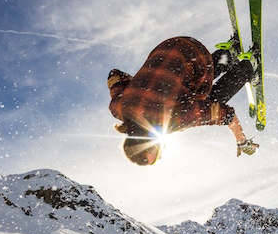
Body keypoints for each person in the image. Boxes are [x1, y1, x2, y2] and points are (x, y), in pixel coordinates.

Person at [107, 36, 260, 165]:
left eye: (156, 155)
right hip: (170, 45)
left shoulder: (171, 120)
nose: (161, 155)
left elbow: (224, 114)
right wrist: (147, 87)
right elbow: (114, 75)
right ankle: (227, 54)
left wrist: (242, 141)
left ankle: (248, 66)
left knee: (209, 100)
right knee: (185, 86)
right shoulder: (118, 108)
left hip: (199, 55)